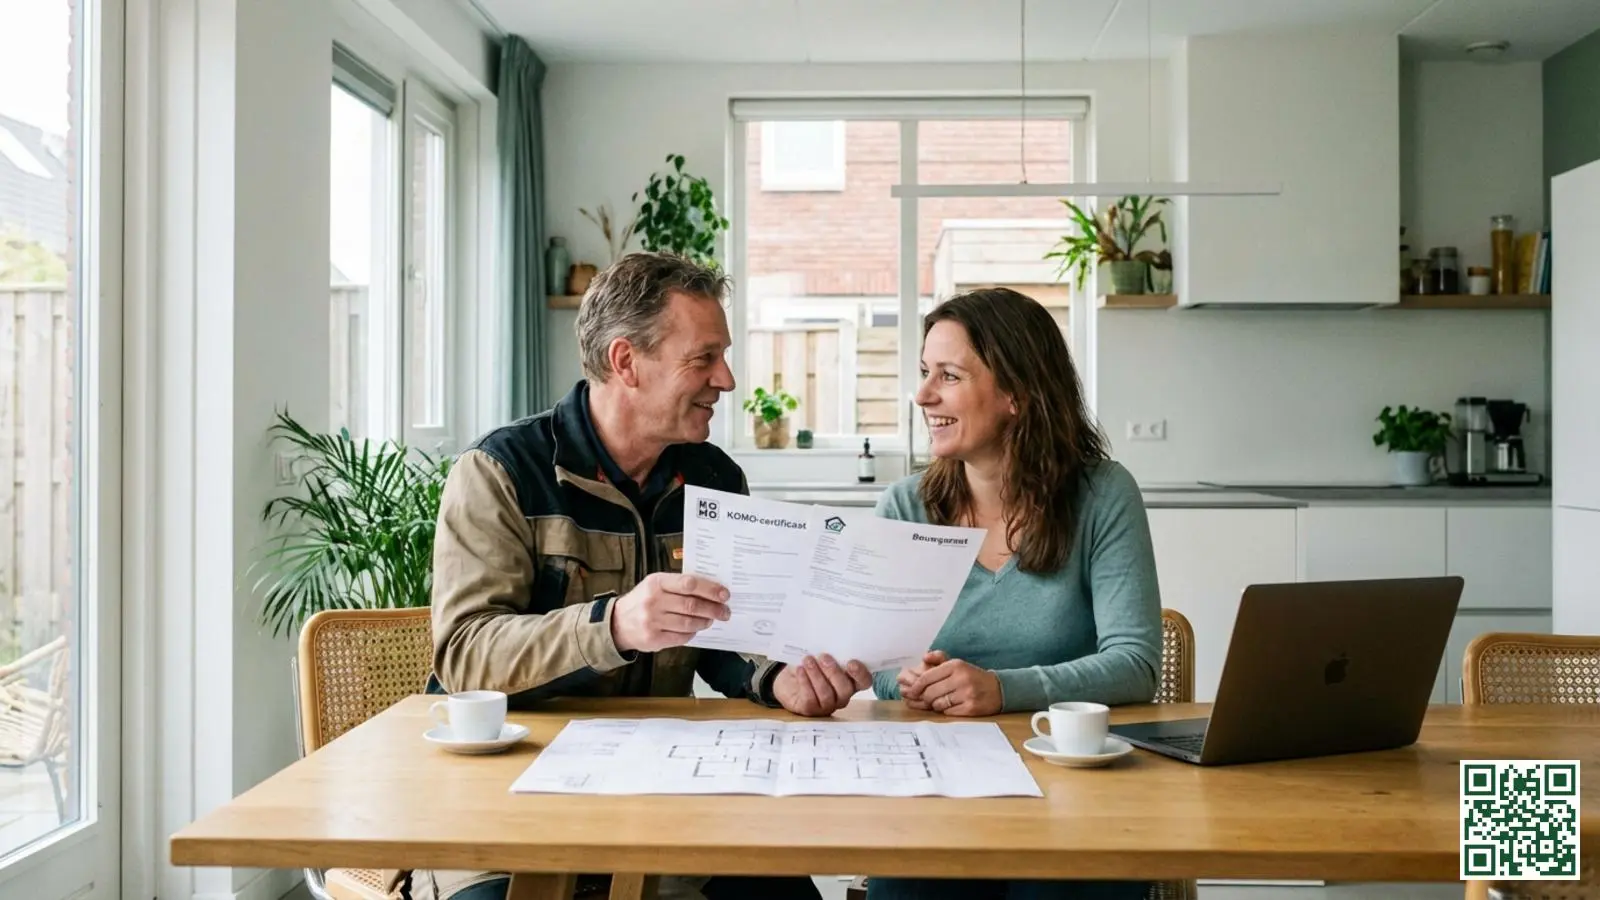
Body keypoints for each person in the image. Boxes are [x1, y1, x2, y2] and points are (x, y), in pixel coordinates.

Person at [405, 251, 872, 900]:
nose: (728, 380)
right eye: (703, 358)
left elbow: (728, 639)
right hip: (505, 803)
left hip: (660, 794)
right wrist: (615, 623)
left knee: (787, 895)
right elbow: (465, 656)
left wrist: (777, 676)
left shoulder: (714, 478)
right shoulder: (501, 472)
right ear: (627, 362)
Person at [866, 287, 1161, 900]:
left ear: (1016, 396)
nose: (923, 395)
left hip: (1074, 782)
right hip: (937, 784)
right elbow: (879, 666)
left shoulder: (1103, 495)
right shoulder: (905, 506)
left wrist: (1002, 690)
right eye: (925, 373)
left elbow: (1135, 665)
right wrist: (909, 678)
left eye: (948, 375)